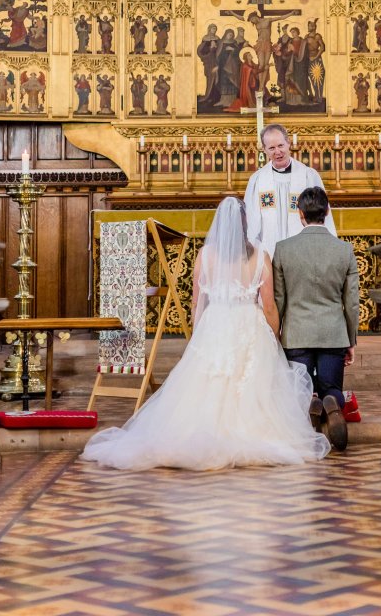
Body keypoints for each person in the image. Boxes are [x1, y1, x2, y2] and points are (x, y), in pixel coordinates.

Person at [81, 198, 329, 471]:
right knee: (250, 386)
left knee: (208, 383)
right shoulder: (261, 255)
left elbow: (197, 302)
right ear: (246, 222)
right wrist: (275, 337)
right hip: (250, 326)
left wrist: (199, 336)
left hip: (216, 324)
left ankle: (199, 436)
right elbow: (269, 305)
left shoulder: (206, 255)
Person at [273, 187, 359, 452]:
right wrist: (351, 339)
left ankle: (309, 404)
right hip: (332, 333)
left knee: (300, 389)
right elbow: (352, 302)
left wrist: (276, 333)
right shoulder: (344, 250)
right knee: (331, 386)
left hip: (296, 334)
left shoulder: (283, 249)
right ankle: (331, 402)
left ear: (300, 214)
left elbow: (279, 299)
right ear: (327, 211)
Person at [244, 123, 336, 259]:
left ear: (288, 143)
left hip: (304, 254)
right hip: (268, 255)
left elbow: (323, 216)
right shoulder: (257, 180)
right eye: (271, 148)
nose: (277, 152)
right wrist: (251, 256)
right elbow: (250, 221)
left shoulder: (308, 176)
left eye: (280, 146)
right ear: (264, 150)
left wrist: (328, 248)